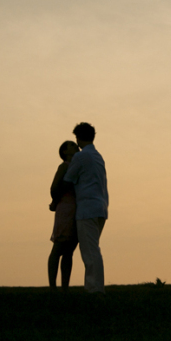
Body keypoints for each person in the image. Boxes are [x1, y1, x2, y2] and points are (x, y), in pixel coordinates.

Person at [62, 122, 109, 293]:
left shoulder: (81, 157)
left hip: (87, 208)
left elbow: (68, 179)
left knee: (90, 251)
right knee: (93, 249)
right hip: (100, 207)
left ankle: (95, 289)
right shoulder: (98, 156)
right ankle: (94, 287)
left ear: (79, 138)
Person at [48, 140, 80, 290]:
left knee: (69, 251)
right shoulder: (63, 167)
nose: (75, 146)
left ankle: (65, 287)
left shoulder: (77, 167)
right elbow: (54, 188)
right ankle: (53, 286)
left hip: (76, 209)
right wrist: (56, 200)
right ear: (65, 151)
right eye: (71, 145)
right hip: (66, 208)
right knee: (59, 247)